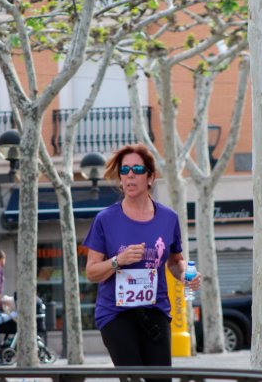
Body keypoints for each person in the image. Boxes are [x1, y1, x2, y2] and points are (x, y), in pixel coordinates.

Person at [84, 144, 201, 381]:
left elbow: (174, 261)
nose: (129, 175)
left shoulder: (168, 218)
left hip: (155, 310)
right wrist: (118, 261)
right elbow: (91, 272)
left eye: (137, 169)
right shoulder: (105, 219)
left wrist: (187, 275)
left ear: (150, 177)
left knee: (161, 379)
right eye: (124, 170)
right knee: (133, 378)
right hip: (116, 314)